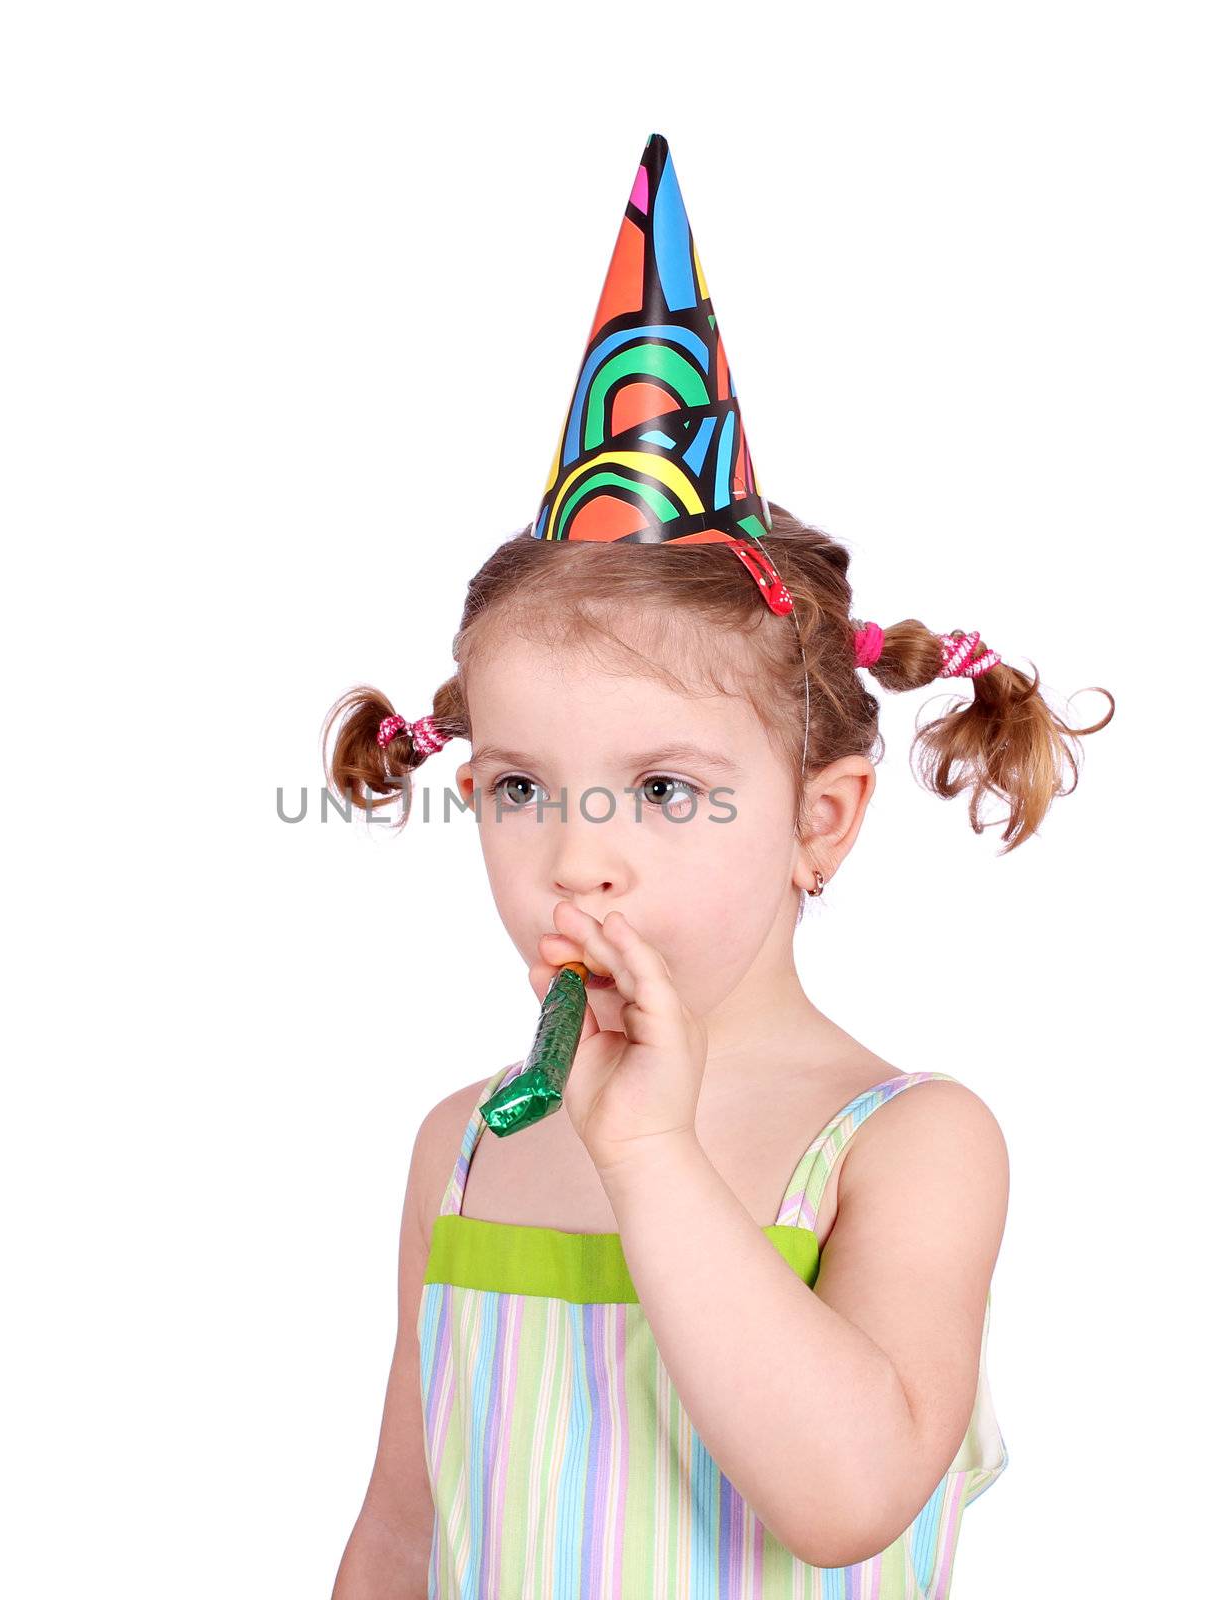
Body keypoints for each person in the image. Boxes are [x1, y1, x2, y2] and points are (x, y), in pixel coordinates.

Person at [325, 133, 1113, 1599]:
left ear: (821, 821)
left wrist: (654, 1155)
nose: (578, 859)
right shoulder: (467, 1148)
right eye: (519, 789)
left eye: (667, 789)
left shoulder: (906, 1146)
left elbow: (848, 1496)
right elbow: (399, 1532)